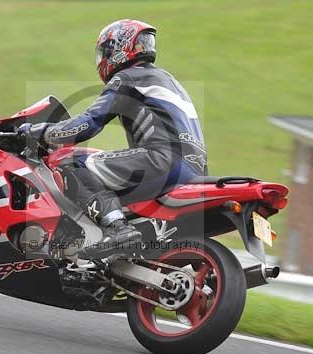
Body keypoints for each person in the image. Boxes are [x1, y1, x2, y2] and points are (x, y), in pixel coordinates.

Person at [19, 19, 208, 254]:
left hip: (162, 160)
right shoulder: (168, 80)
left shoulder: (128, 77)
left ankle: (118, 229)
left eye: (105, 52)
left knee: (73, 162)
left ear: (118, 48)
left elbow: (88, 124)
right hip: (196, 168)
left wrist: (43, 132)